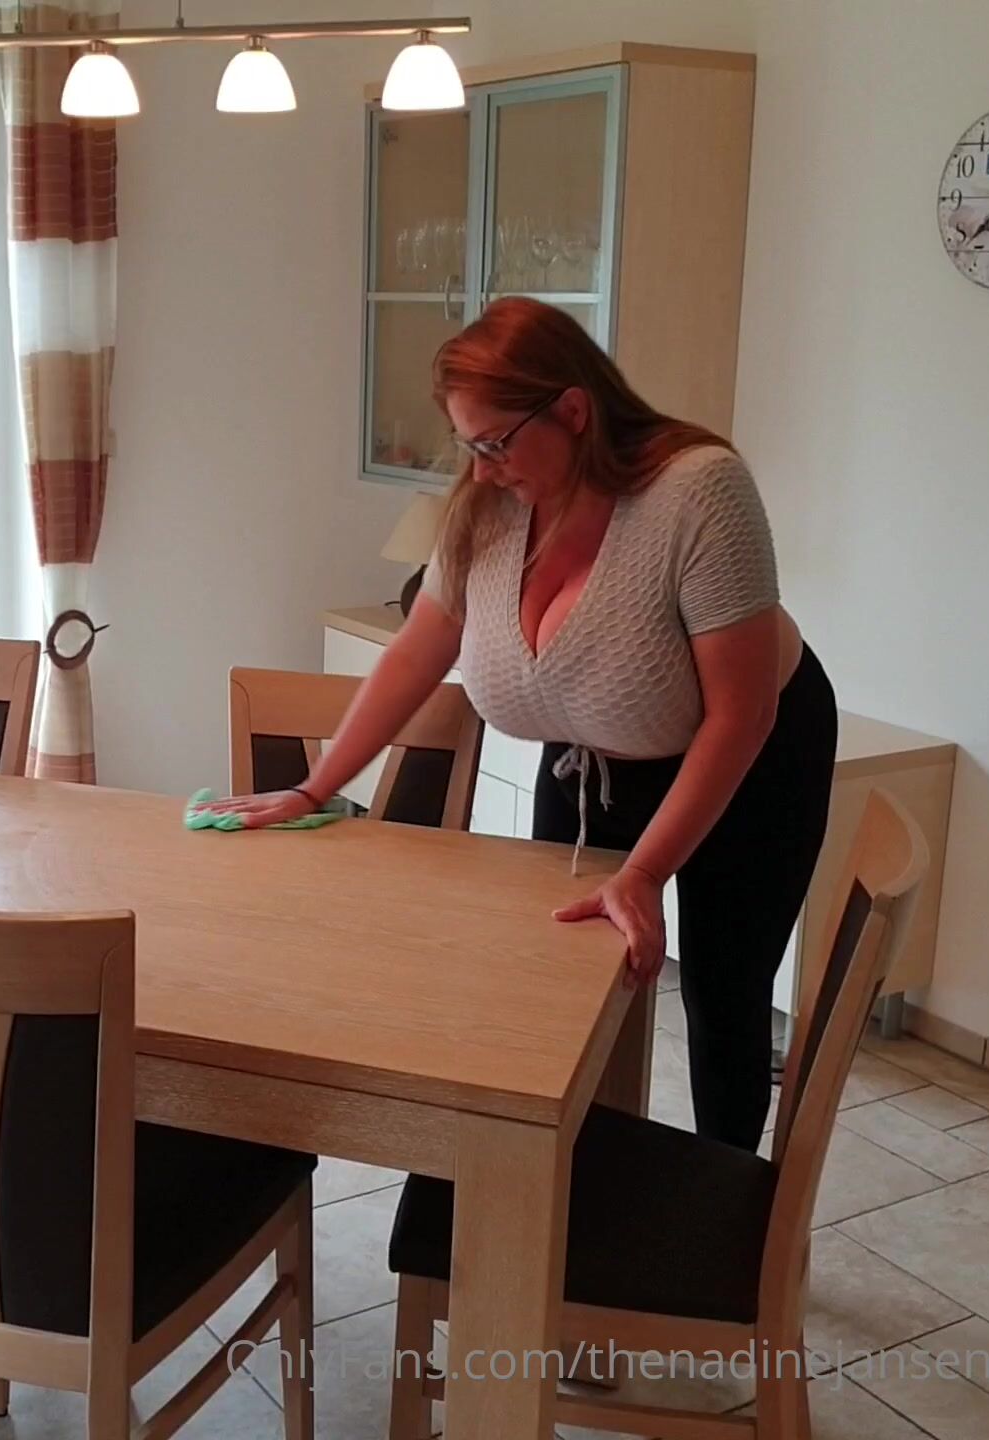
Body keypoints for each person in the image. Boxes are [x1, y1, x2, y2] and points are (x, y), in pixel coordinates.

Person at [205, 298, 837, 1152]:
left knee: (722, 997)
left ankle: (728, 1222)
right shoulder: (489, 506)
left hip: (750, 755)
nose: (483, 467)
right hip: (595, 754)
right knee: (554, 979)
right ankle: (568, 1185)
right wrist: (317, 786)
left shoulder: (698, 491)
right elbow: (415, 654)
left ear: (573, 411)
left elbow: (743, 713)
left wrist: (647, 870)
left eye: (495, 442)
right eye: (468, 445)